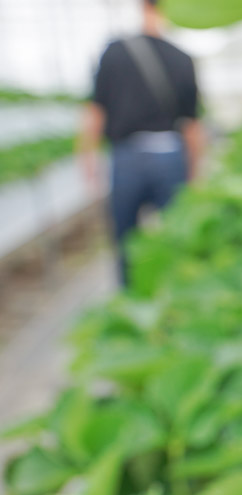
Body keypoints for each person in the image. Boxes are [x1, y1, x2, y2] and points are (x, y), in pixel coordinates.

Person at [78, 0, 205, 285]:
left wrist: (88, 159)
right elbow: (193, 126)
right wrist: (195, 172)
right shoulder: (182, 59)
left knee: (125, 239)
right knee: (176, 234)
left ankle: (131, 302)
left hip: (127, 157)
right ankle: (173, 298)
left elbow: (96, 111)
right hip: (171, 155)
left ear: (142, 7)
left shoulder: (115, 51)